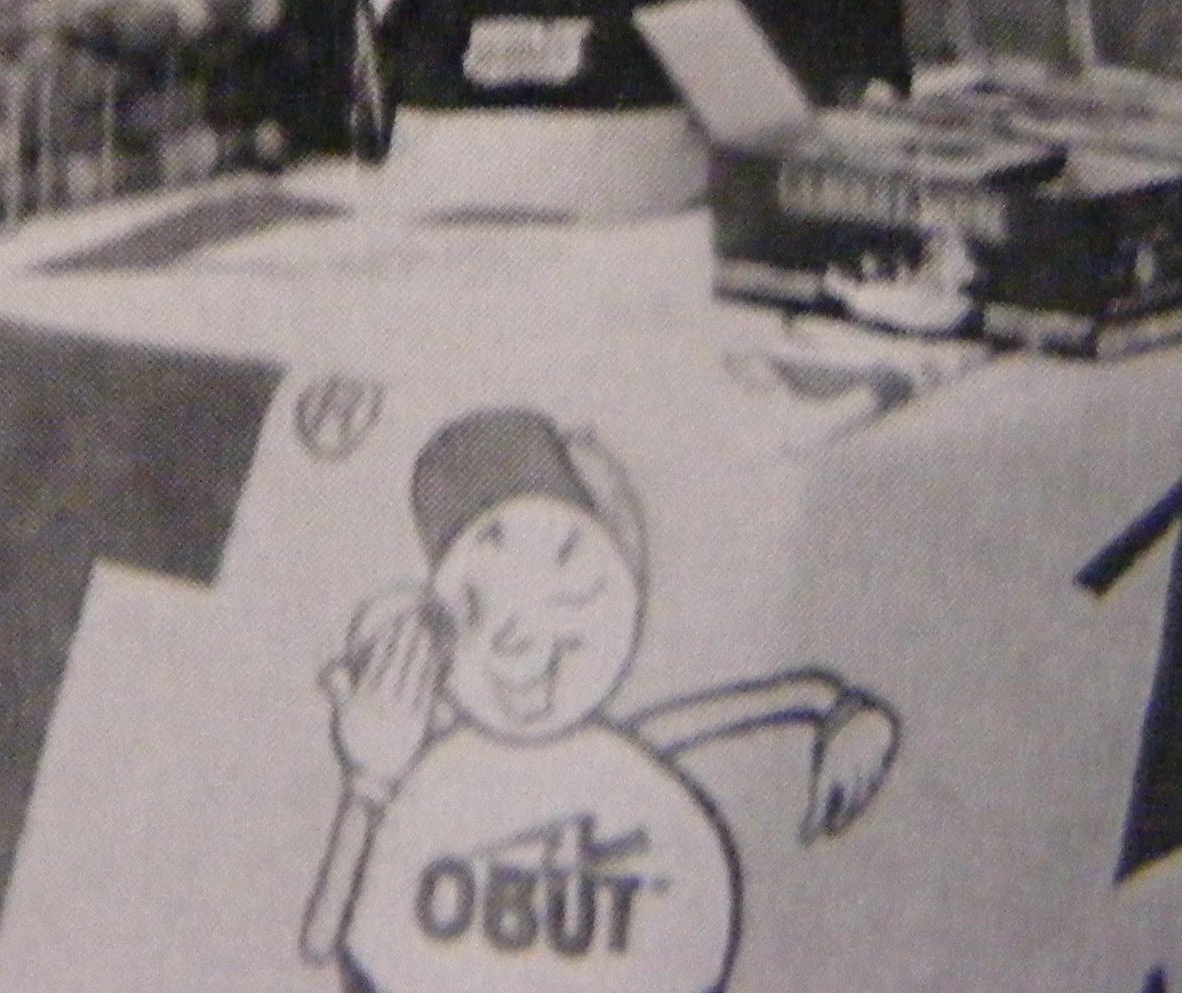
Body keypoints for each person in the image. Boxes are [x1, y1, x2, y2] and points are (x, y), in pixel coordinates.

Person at [298, 406, 898, 993]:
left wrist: (842, 710)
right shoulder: (431, 776)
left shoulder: (620, 765)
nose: (522, 641)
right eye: (479, 609)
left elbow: (788, 700)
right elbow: (324, 939)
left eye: (571, 583)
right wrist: (367, 782)